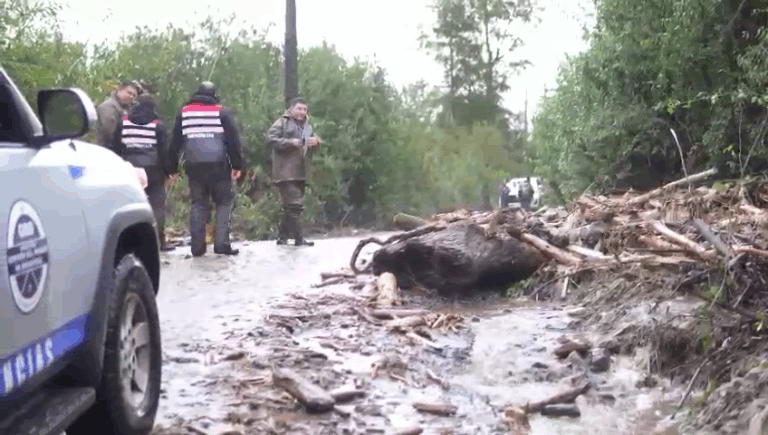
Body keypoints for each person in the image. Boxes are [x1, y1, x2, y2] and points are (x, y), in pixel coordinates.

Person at [168, 82, 243, 257]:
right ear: (214, 94)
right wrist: (237, 165)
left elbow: (175, 142)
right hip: (219, 165)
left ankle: (197, 247)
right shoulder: (221, 112)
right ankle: (222, 244)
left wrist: (172, 167)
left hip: (194, 165)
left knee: (198, 203)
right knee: (224, 202)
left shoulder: (184, 113)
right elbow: (233, 141)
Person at [112, 93, 176, 252]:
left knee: (129, 205)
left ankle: (130, 243)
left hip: (130, 169)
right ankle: (159, 242)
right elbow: (164, 152)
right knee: (157, 206)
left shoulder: (123, 123)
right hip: (153, 171)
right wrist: (170, 172)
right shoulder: (157, 125)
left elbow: (116, 147)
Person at [266, 97, 322, 246]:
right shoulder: (282, 123)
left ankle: (282, 237)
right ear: (291, 109)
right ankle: (299, 239)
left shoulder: (307, 126)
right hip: (285, 171)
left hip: (301, 172)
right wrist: (290, 142)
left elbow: (314, 145)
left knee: (290, 207)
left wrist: (316, 142)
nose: (302, 112)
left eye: (304, 109)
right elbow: (270, 139)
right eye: (299, 108)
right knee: (295, 205)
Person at [96, 81, 140, 150]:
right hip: (104, 149)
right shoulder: (109, 106)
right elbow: (108, 133)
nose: (131, 97)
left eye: (134, 96)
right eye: (129, 93)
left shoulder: (126, 108)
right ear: (119, 90)